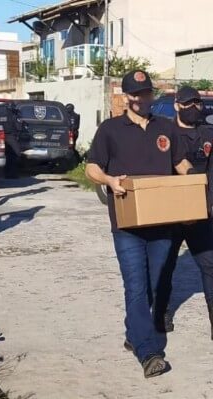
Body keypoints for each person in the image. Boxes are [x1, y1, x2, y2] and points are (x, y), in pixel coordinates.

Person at [85, 70, 194, 379]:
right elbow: (92, 167)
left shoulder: (166, 128)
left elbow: (179, 162)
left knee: (155, 285)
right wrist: (109, 180)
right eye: (135, 94)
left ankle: (134, 334)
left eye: (145, 93)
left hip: (161, 221)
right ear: (126, 97)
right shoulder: (110, 130)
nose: (140, 99)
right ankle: (149, 353)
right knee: (135, 285)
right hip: (127, 223)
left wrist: (194, 179)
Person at [157, 86, 213, 340]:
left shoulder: (207, 135)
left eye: (197, 103)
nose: (193, 108)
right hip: (170, 212)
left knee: (211, 266)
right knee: (165, 264)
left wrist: (210, 205)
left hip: (200, 212)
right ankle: (161, 315)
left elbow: (212, 173)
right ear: (177, 105)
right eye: (187, 104)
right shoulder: (166, 134)